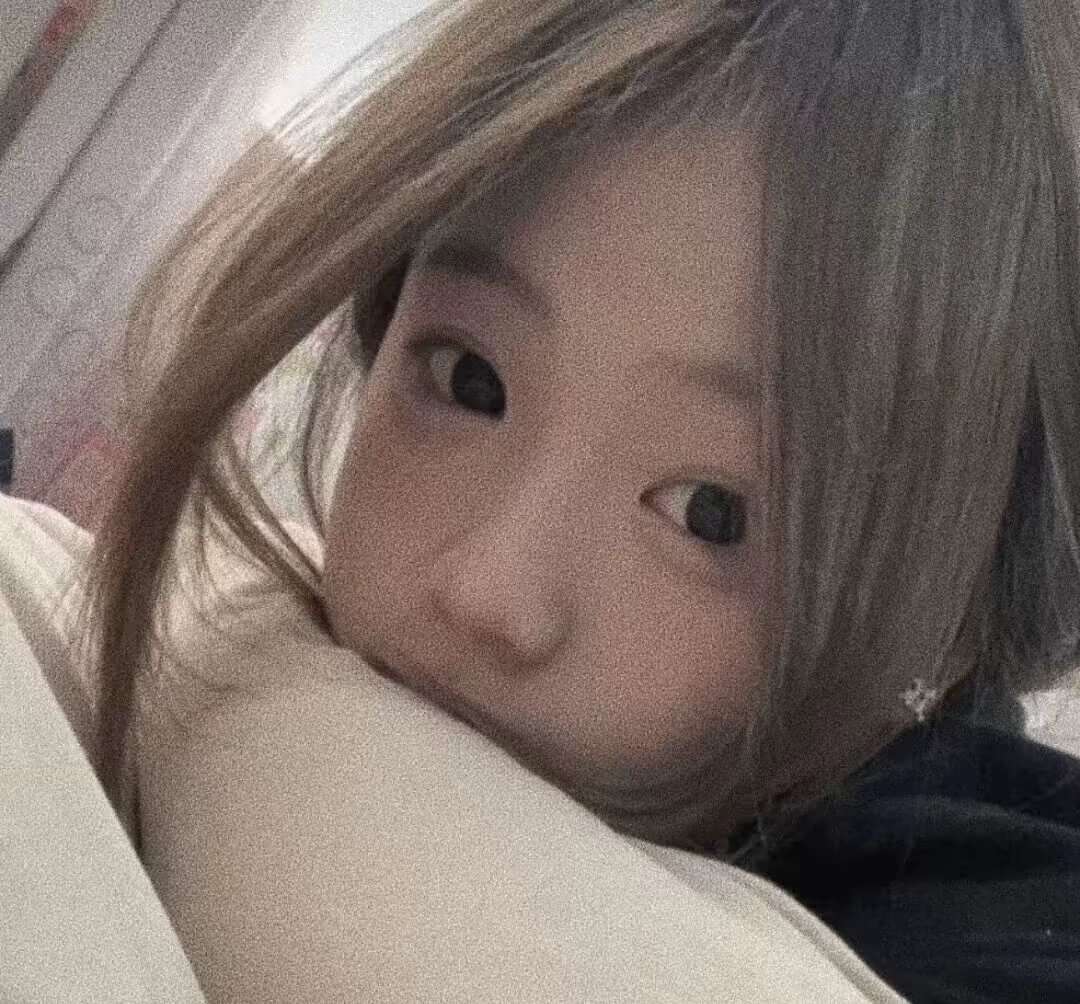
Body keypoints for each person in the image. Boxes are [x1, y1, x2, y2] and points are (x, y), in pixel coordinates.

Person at [72, 0, 1080, 1000]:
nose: (486, 592)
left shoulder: (981, 896)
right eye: (470, 380)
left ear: (949, 632)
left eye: (711, 512)